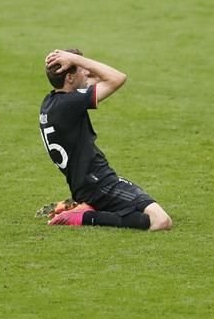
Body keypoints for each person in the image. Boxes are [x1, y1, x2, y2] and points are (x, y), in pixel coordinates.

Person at [38, 49, 172, 231]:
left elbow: (98, 80)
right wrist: (74, 59)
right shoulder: (71, 103)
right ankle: (85, 216)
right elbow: (117, 78)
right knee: (160, 221)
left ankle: (88, 207)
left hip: (86, 184)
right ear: (69, 78)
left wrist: (76, 63)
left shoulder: (51, 102)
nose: (86, 72)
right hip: (99, 183)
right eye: (81, 70)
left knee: (139, 212)